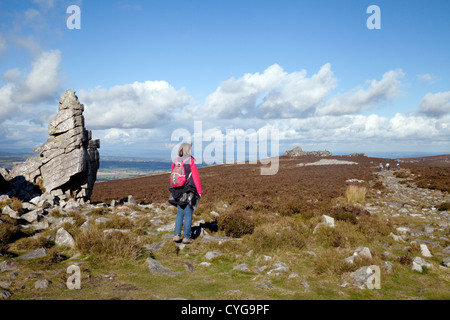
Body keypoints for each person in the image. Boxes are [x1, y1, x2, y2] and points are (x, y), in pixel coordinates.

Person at [168, 143, 203, 244]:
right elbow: (196, 177)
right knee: (188, 213)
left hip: (177, 190)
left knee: (179, 213)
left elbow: (172, 175)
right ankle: (186, 237)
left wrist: (173, 190)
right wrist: (199, 192)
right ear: (188, 150)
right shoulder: (191, 161)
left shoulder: (175, 160)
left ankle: (176, 235)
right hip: (188, 190)